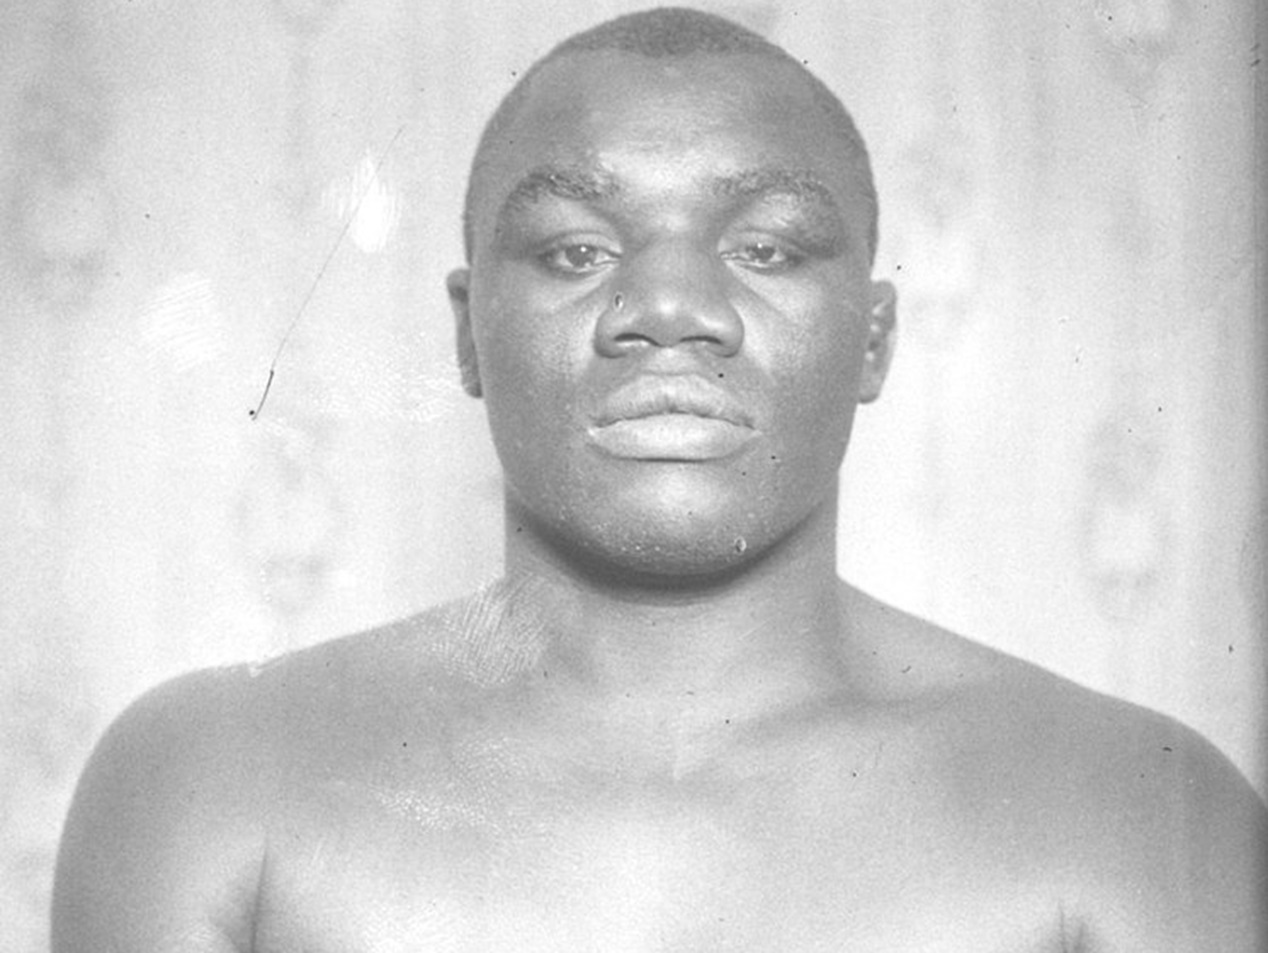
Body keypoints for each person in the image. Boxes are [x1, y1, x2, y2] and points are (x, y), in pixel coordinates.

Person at [52, 7, 1265, 951]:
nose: (669, 309)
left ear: (875, 340)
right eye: (576, 251)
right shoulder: (207, 780)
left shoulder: (1136, 812)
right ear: (469, 336)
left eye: (767, 247)